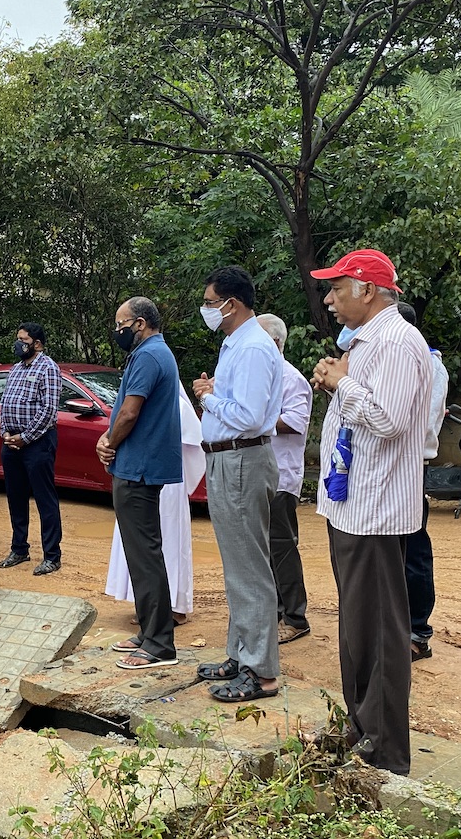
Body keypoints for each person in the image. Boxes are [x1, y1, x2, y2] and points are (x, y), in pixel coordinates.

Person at [310, 248, 431, 775]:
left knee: (379, 632)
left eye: (337, 289)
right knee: (358, 627)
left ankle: (383, 755)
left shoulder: (398, 342)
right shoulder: (365, 342)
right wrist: (336, 382)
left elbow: (388, 419)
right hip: (353, 504)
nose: (329, 300)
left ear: (367, 289)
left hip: (375, 509)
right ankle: (362, 730)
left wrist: (342, 383)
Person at [191, 267, 283, 701]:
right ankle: (241, 653)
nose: (206, 309)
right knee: (238, 566)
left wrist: (208, 398)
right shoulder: (235, 344)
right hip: (229, 459)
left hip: (242, 458)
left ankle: (261, 672)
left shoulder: (252, 347)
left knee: (250, 569)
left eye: (210, 302)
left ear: (232, 303)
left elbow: (247, 416)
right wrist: (215, 395)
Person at [96, 296, 183, 669]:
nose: (118, 331)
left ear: (141, 324)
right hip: (137, 465)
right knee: (140, 554)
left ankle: (159, 644)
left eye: (122, 324)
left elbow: (130, 412)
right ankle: (150, 632)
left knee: (145, 555)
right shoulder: (151, 353)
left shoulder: (149, 356)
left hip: (139, 468)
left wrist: (109, 442)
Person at [106, 381, 201, 622]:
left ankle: (174, 607)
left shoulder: (177, 405)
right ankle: (148, 605)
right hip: (140, 477)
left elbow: (193, 445)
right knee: (141, 542)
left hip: (167, 483)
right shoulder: (141, 403)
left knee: (168, 540)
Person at [257, 313, 314, 645]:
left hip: (281, 476)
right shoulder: (259, 376)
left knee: (281, 547)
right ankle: (274, 612)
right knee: (262, 549)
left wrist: (257, 418)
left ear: (276, 342)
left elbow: (295, 421)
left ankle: (295, 617)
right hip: (259, 473)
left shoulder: (292, 379)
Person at [396, 301, 449, 662]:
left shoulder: (430, 366)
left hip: (411, 465)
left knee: (413, 549)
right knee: (391, 550)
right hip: (391, 465)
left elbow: (423, 425)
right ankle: (396, 626)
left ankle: (417, 632)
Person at [0, 322, 64, 576]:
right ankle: (19, 549)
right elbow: (4, 403)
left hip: (38, 443)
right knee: (15, 497)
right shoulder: (15, 369)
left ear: (37, 343)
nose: (18, 344)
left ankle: (52, 556)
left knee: (44, 498)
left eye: (23, 340)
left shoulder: (48, 368)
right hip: (11, 443)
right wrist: (5, 431)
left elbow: (49, 410)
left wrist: (25, 438)